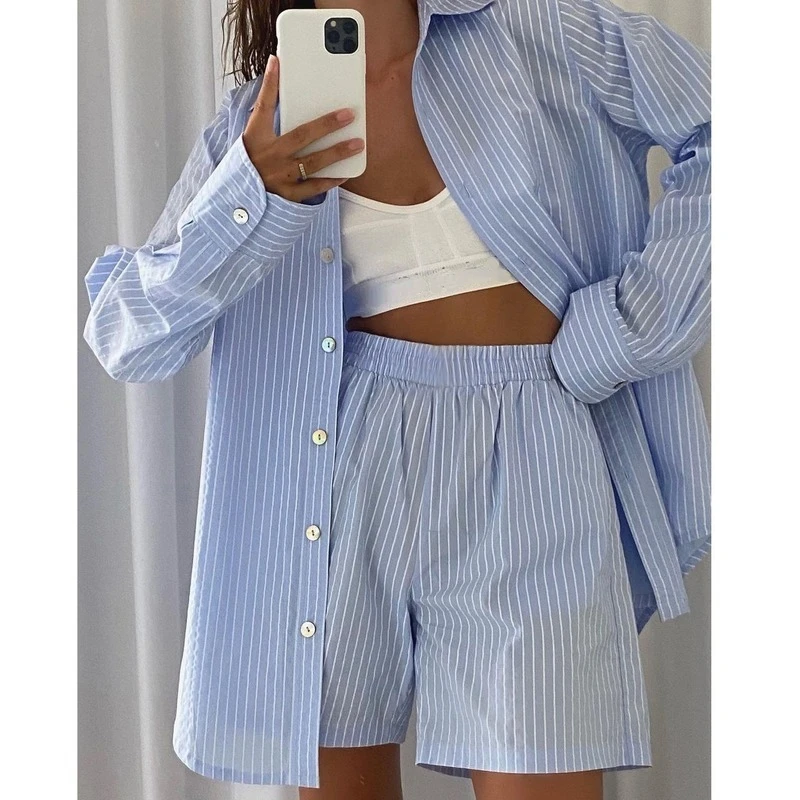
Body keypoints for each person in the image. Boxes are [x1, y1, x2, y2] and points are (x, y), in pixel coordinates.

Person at [82, 0, 711, 798]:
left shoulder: (540, 29)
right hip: (335, 470)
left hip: (532, 450)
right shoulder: (257, 128)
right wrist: (252, 192)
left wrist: (626, 329)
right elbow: (125, 333)